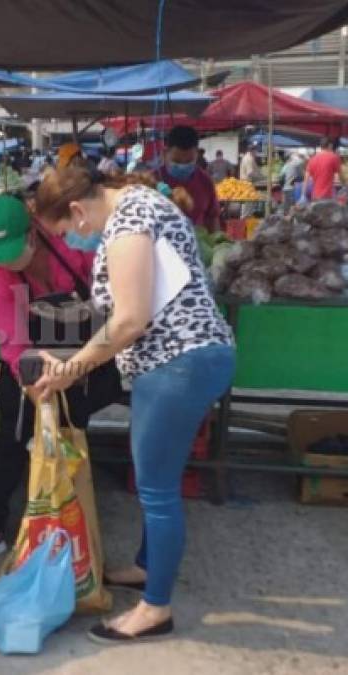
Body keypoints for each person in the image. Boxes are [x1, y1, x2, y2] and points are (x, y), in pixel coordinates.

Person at [33, 166, 235, 645]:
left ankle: (155, 610)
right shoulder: (143, 205)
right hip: (183, 360)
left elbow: (129, 321)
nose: (73, 240)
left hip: (177, 364)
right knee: (155, 482)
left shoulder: (128, 224)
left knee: (158, 490)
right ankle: (148, 569)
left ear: (78, 210)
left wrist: (70, 369)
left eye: (67, 231)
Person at [0, 194, 95, 565]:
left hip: (83, 351)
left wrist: (83, 362)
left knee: (71, 436)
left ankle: (71, 526)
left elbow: (109, 294)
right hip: (30, 354)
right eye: (0, 253)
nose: (9, 260)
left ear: (32, 231)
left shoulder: (71, 242)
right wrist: (33, 385)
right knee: (12, 436)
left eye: (14, 249)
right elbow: (12, 340)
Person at [158, 125, 220, 232]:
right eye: (176, 161)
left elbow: (213, 219)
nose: (182, 165)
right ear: (165, 153)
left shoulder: (205, 182)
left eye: (189, 161)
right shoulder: (152, 181)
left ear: (197, 154)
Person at [305, 137, 341, 202]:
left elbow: (306, 178)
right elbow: (338, 176)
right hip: (328, 196)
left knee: (316, 212)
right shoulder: (334, 157)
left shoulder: (312, 159)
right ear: (330, 145)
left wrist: (303, 194)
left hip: (315, 196)